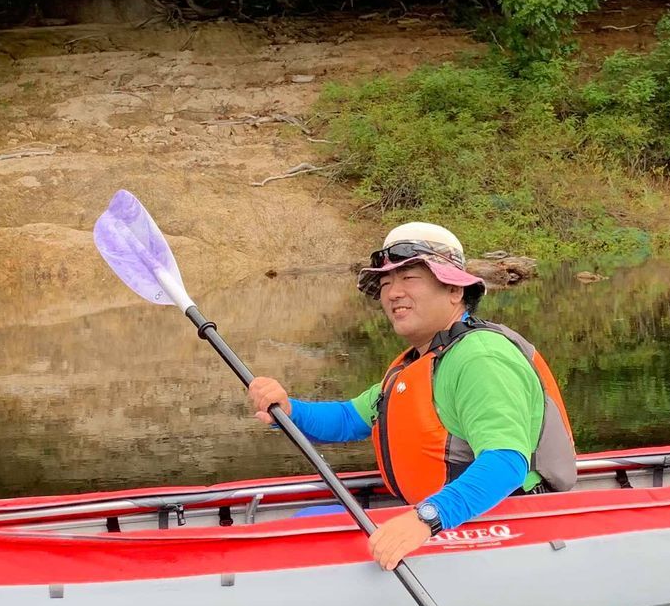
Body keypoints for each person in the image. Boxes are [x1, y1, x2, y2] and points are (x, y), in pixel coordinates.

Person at [246, 222, 576, 570]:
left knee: (306, 532)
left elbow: (506, 462)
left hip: (502, 521)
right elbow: (347, 420)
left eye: (409, 279)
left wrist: (426, 519)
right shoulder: (419, 363)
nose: (392, 293)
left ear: (453, 289)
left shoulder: (480, 358)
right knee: (308, 519)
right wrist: (288, 411)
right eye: (386, 283)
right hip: (439, 515)